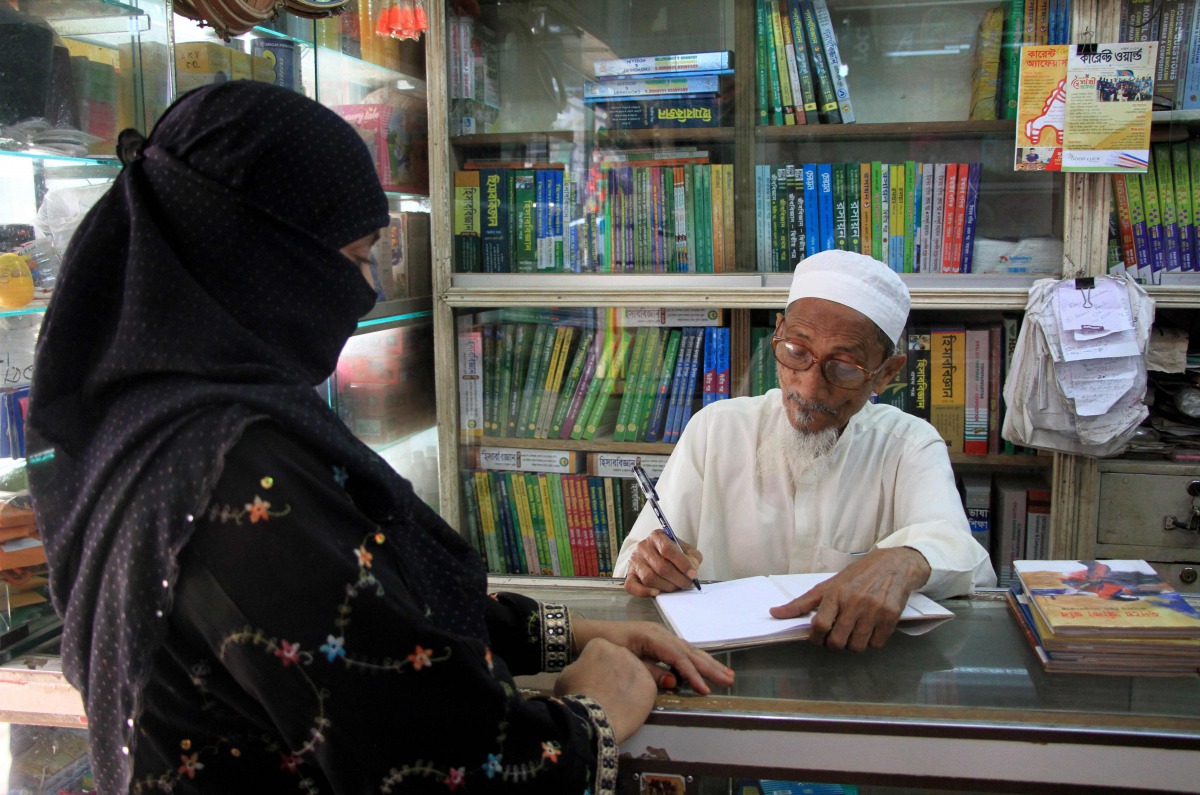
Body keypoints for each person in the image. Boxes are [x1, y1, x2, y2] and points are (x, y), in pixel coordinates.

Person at [26, 82, 733, 795]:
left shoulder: (156, 417)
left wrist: (566, 632)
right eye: (357, 256)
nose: (367, 287)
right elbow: (437, 762)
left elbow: (371, 608)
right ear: (262, 254)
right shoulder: (237, 475)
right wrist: (592, 715)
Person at [614, 250, 996, 652]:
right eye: (797, 352)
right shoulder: (717, 429)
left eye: (844, 367)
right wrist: (652, 565)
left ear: (886, 373)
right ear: (778, 334)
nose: (809, 389)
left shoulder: (909, 445)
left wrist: (908, 559)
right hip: (723, 666)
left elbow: (964, 558)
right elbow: (631, 566)